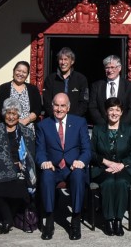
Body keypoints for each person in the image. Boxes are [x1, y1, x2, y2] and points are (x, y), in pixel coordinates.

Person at [35, 92, 91, 241]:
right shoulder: (43, 125)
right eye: (56, 105)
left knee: (79, 175)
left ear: (68, 107)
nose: (59, 109)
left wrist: (81, 161)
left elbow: (87, 149)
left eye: (62, 106)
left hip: (73, 166)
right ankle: (49, 219)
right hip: (53, 167)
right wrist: (43, 162)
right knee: (46, 175)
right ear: (52, 106)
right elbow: (40, 151)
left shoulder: (79, 122)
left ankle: (75, 219)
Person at [0, 98, 37, 235]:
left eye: (14, 113)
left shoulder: (27, 133)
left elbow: (31, 157)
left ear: (19, 115)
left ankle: (7, 219)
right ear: (4, 113)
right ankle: (8, 218)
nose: (11, 117)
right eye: (8, 113)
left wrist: (22, 165)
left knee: (22, 187)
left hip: (20, 172)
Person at [90, 97, 131, 236]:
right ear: (106, 111)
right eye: (111, 109)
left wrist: (121, 164)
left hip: (124, 168)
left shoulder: (129, 129)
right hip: (103, 168)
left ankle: (118, 220)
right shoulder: (98, 129)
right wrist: (106, 162)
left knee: (122, 183)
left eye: (118, 110)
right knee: (109, 182)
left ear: (122, 112)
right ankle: (108, 220)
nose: (114, 113)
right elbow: (91, 152)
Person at [88, 55, 131, 126]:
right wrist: (104, 125)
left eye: (112, 67)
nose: (109, 70)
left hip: (124, 128)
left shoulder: (130, 86)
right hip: (103, 128)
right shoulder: (96, 86)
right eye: (107, 68)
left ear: (119, 68)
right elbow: (92, 107)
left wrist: (120, 126)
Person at [42, 48, 89, 118]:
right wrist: (56, 117)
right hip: (54, 119)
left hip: (75, 120)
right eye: (61, 59)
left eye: (66, 59)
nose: (63, 62)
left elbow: (84, 102)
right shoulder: (50, 79)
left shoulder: (81, 79)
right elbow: (46, 101)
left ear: (72, 61)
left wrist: (72, 118)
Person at [0, 60, 42, 130]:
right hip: (8, 128)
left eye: (24, 72)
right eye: (18, 71)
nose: (20, 74)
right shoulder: (3, 88)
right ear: (14, 71)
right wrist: (16, 121)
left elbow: (38, 109)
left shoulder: (33, 89)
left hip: (28, 129)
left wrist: (25, 121)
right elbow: (1, 109)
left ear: (27, 75)